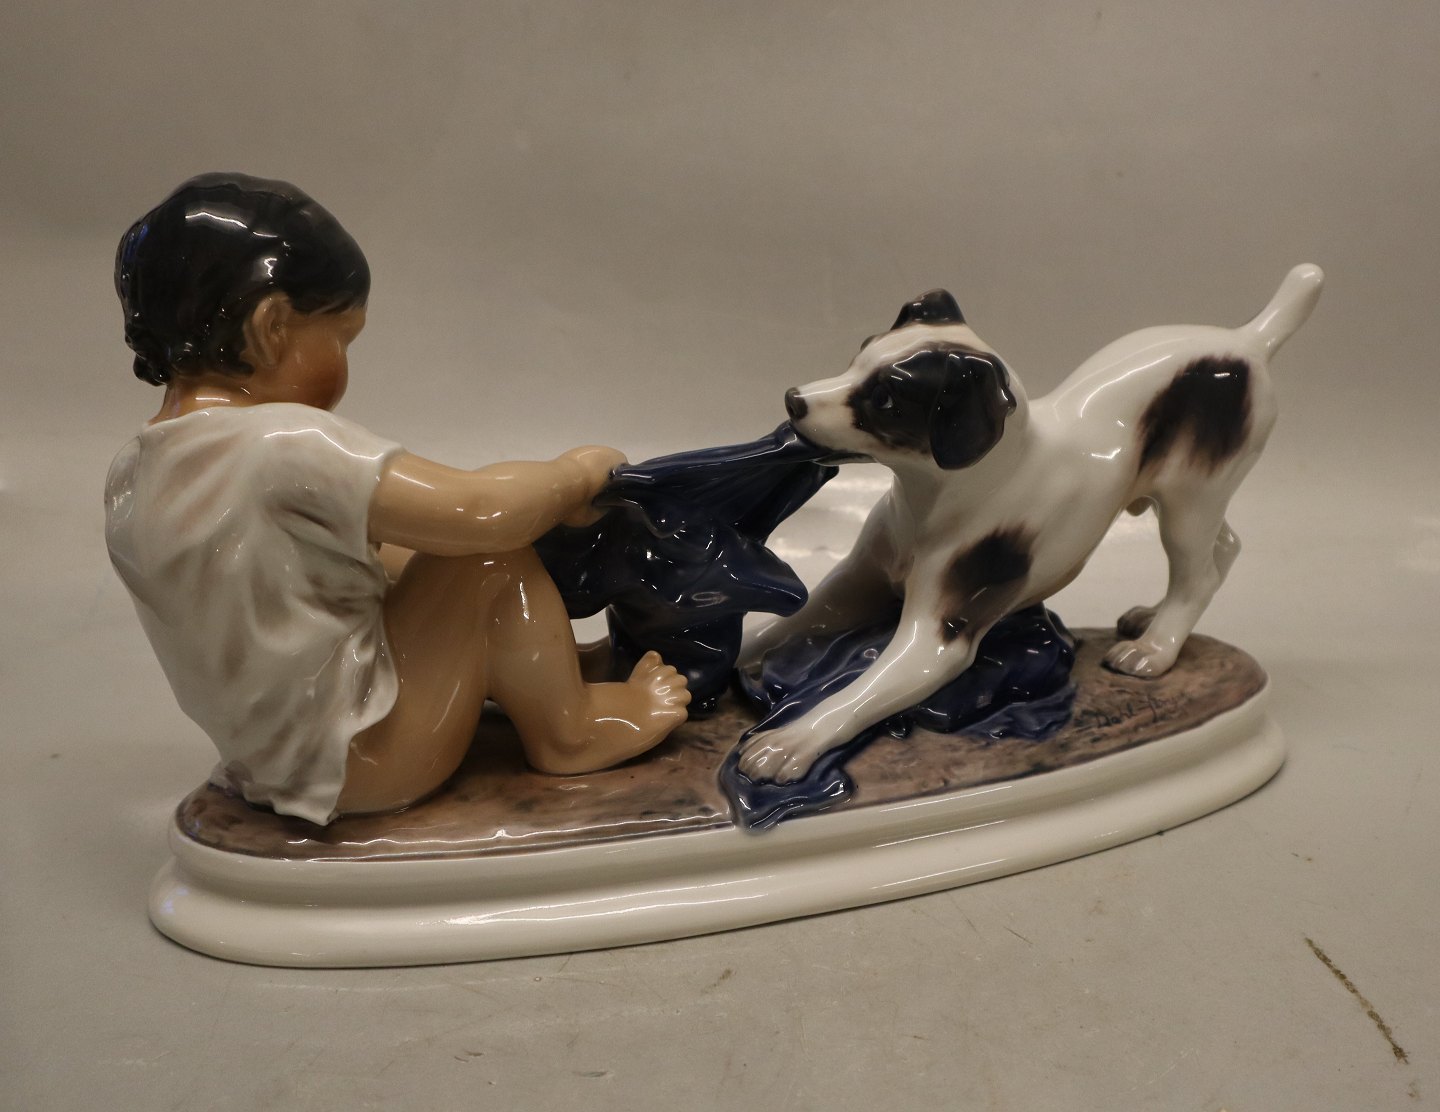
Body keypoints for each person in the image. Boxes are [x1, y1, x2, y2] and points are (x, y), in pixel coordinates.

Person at [106, 172, 689, 825]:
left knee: (401, 553)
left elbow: (318, 580)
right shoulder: (281, 444)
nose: (346, 363)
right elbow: (479, 511)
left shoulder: (138, 470)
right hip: (371, 758)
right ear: (272, 327)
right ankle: (572, 732)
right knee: (485, 558)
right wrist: (575, 477)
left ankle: (535, 666)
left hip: (271, 761)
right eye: (341, 338)